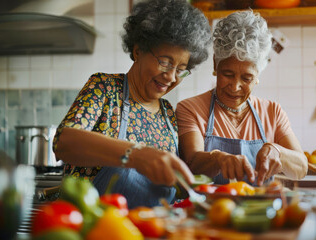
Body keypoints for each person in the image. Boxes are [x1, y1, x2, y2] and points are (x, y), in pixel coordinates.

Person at [52, 0, 211, 209]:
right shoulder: (105, 88)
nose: (171, 76)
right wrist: (135, 155)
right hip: (97, 227)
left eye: (181, 69)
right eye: (164, 62)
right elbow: (64, 142)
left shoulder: (168, 114)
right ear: (138, 50)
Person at [176, 10, 307, 187]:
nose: (235, 86)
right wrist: (217, 159)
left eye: (246, 78)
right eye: (227, 74)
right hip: (210, 211)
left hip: (261, 212)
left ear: (258, 74)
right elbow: (192, 162)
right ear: (215, 64)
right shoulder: (190, 109)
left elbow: (301, 168)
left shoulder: (272, 112)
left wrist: (278, 151)